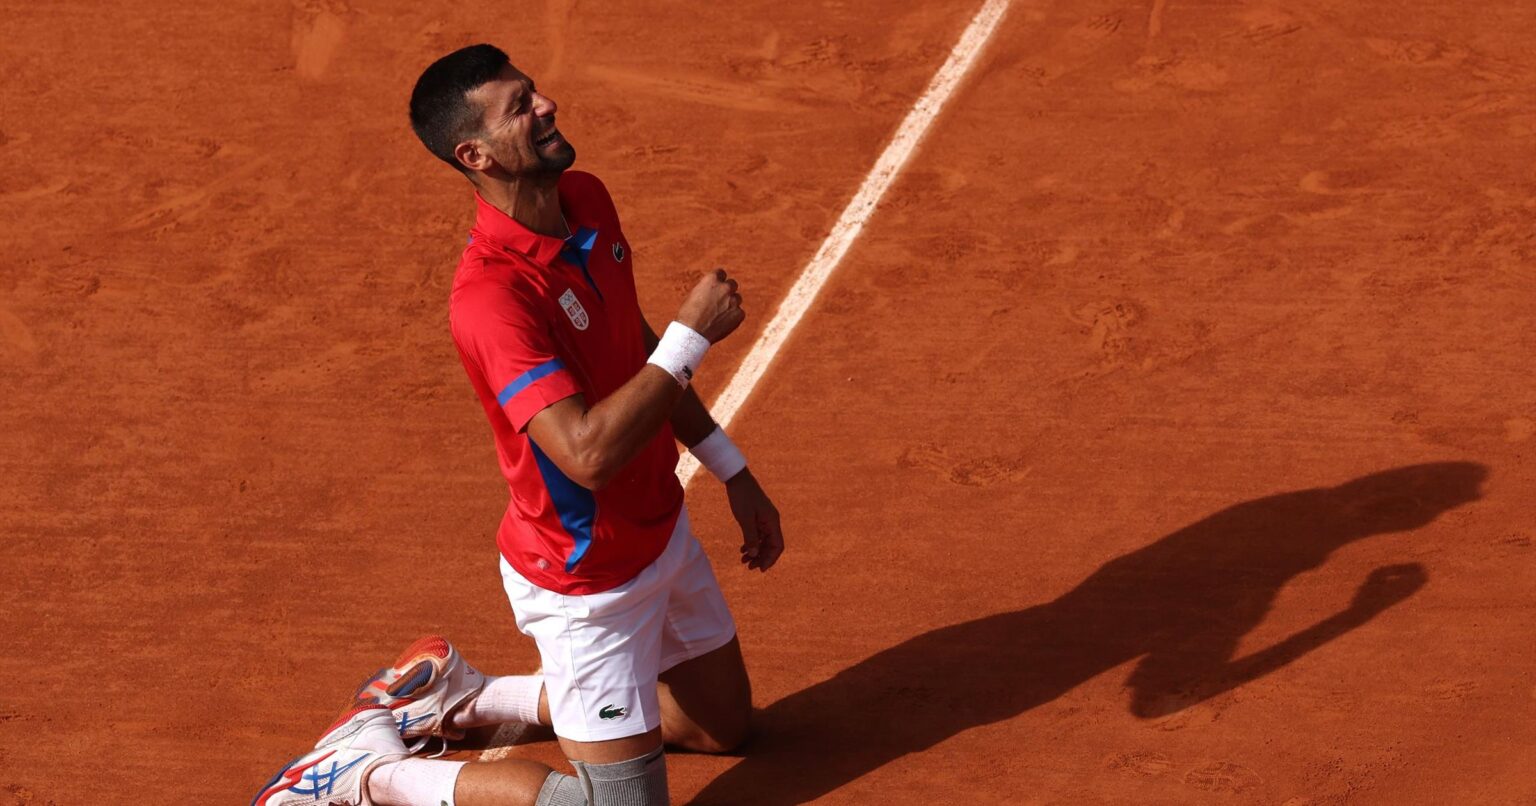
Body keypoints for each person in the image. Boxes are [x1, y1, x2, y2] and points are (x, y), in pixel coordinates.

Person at [254, 43, 786, 806]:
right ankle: (371, 774)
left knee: (724, 730)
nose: (546, 107)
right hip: (584, 583)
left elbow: (632, 344)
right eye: (520, 107)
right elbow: (588, 454)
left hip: (659, 533)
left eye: (533, 92)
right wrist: (692, 336)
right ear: (475, 154)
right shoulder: (491, 299)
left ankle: (468, 697)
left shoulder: (588, 199)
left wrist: (731, 467)